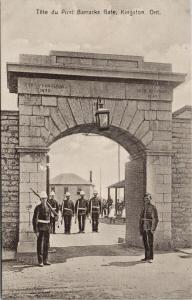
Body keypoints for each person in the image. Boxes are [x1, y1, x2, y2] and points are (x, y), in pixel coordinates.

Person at [32, 191, 51, 267]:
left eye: (45, 198)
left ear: (47, 199)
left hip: (47, 228)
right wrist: (36, 230)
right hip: (40, 228)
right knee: (40, 244)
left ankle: (45, 260)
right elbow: (34, 219)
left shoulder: (48, 207)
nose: (44, 200)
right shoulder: (38, 207)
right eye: (42, 199)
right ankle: (40, 261)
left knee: (46, 244)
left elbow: (51, 218)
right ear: (40, 199)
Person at [139, 192, 159, 263]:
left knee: (150, 242)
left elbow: (155, 219)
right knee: (145, 242)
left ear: (150, 199)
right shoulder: (143, 207)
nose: (146, 200)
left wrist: (153, 229)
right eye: (145, 199)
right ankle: (146, 257)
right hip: (144, 226)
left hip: (150, 227)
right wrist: (140, 228)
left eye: (147, 199)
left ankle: (150, 258)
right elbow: (141, 218)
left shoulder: (153, 207)